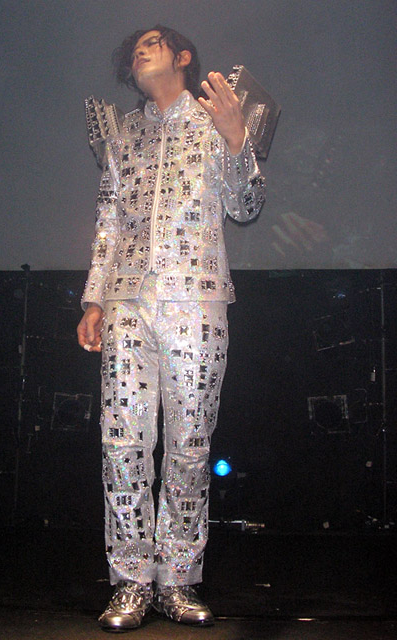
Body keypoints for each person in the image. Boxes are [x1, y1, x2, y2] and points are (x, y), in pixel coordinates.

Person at [77, 25, 265, 631]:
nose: (140, 49)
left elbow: (245, 207)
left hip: (197, 300)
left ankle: (178, 580)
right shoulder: (123, 134)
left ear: (183, 57)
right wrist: (94, 299)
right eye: (135, 47)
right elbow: (109, 221)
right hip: (128, 301)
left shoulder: (216, 119)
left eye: (154, 42)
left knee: (189, 446)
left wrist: (236, 139)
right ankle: (131, 581)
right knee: (122, 443)